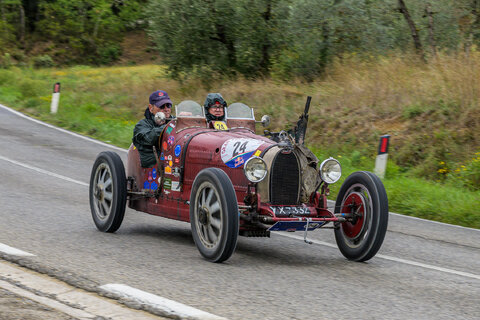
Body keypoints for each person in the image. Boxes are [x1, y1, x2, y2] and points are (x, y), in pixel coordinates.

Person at [132, 90, 174, 168]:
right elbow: (150, 138)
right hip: (154, 167)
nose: (166, 109)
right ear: (151, 108)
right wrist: (171, 125)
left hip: (173, 162)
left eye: (168, 105)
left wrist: (188, 119)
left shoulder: (175, 121)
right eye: (161, 106)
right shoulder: (142, 125)